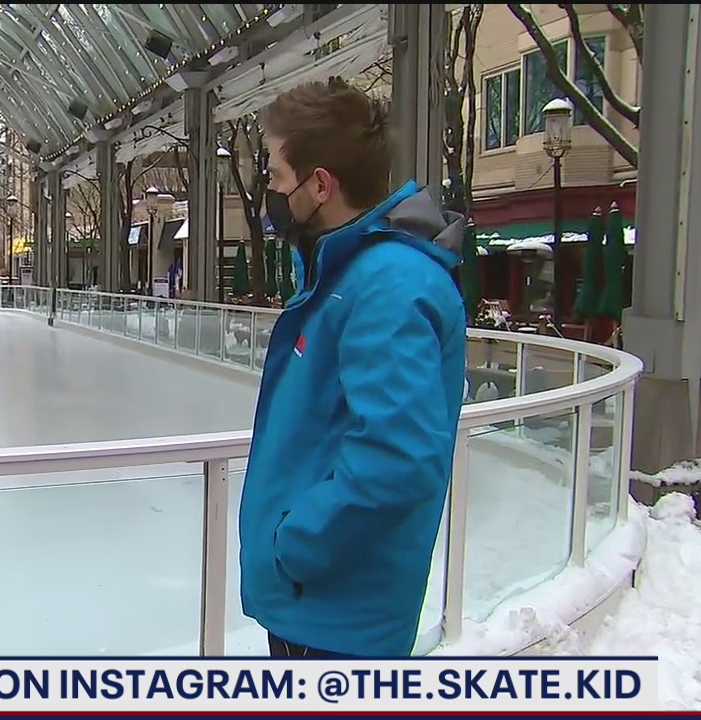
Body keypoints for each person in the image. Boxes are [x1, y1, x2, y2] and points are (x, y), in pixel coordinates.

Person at [238, 77, 467, 658]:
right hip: (316, 606)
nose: (270, 188)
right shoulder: (343, 275)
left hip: (333, 616)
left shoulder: (386, 286)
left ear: (320, 185)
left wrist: (297, 545)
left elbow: (398, 456)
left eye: (277, 176)